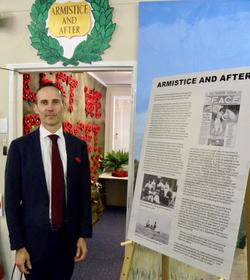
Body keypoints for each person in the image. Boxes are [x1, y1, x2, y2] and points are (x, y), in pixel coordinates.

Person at [5, 83, 92, 280]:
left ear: (63, 105)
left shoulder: (78, 147)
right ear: (36, 107)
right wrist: (18, 246)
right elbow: (11, 201)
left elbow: (83, 194)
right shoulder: (20, 148)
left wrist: (82, 235)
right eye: (44, 102)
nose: (49, 108)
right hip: (33, 243)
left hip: (67, 239)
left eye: (55, 102)